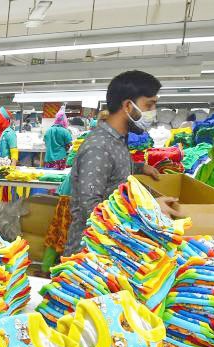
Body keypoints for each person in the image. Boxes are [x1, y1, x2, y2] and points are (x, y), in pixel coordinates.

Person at [64, 70, 182, 256]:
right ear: (128, 105)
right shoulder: (99, 147)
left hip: (111, 244)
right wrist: (146, 210)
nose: (153, 113)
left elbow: (112, 171)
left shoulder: (117, 141)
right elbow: (91, 207)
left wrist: (140, 167)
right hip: (91, 254)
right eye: (149, 105)